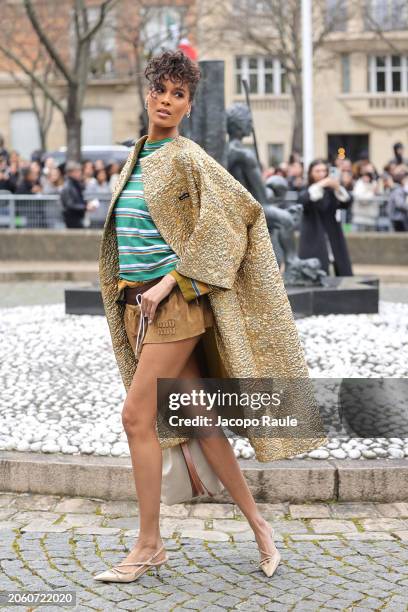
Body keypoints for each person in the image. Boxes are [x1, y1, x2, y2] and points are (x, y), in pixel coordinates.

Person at [97, 50, 327, 585]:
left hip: (174, 308)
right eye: (161, 91)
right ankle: (260, 525)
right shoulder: (136, 157)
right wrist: (138, 292)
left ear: (188, 105)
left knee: (137, 416)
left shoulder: (187, 156)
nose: (168, 101)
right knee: (201, 421)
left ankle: (149, 545)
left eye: (179, 95)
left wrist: (169, 282)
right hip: (141, 309)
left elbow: (235, 218)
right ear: (148, 92)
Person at [298, 159, 353, 276]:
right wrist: (320, 185)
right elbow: (304, 201)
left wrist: (338, 188)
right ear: (311, 173)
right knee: (316, 268)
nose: (321, 174)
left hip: (332, 231)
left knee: (340, 266)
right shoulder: (307, 189)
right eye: (317, 171)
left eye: (324, 171)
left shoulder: (331, 190)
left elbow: (346, 203)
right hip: (313, 233)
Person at [60, 161, 97, 228]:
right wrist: (85, 207)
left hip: (77, 218)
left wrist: (86, 204)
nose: (80, 173)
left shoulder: (75, 184)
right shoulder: (68, 186)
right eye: (77, 171)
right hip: (72, 219)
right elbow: (70, 205)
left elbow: (78, 199)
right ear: (70, 173)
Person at [352, 163, 381, 231]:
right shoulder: (359, 184)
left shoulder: (375, 183)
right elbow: (361, 199)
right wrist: (372, 193)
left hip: (372, 218)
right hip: (360, 218)